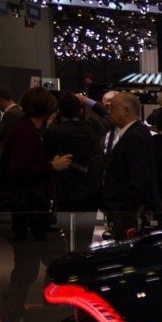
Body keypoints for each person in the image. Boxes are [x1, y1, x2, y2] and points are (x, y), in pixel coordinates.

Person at [1, 88, 72, 241]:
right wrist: (52, 165)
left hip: (28, 204)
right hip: (27, 205)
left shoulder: (26, 128)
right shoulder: (25, 131)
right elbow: (19, 168)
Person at [43, 91, 104, 248]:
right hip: (91, 192)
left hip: (66, 193)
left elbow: (47, 157)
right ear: (81, 110)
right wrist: (86, 100)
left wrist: (48, 124)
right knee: (86, 238)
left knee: (70, 239)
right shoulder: (93, 128)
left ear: (59, 111)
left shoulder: (53, 133)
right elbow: (106, 114)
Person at [100, 91, 162, 238]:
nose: (109, 112)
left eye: (112, 108)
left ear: (126, 111)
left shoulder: (135, 135)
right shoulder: (135, 132)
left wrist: (125, 210)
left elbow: (140, 178)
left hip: (129, 216)